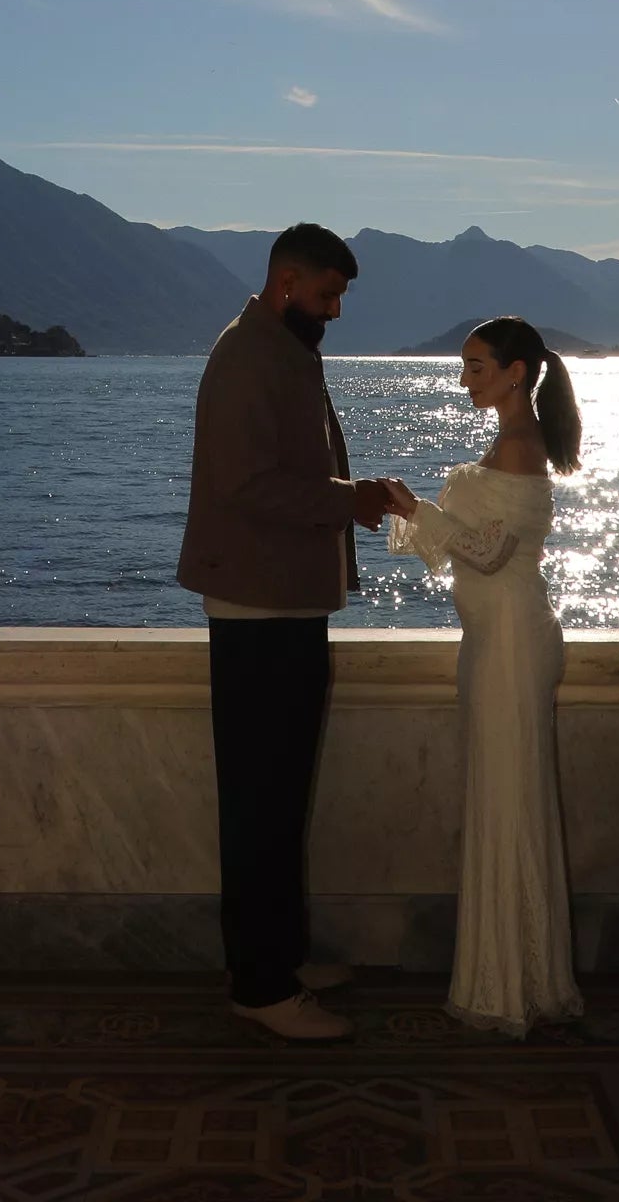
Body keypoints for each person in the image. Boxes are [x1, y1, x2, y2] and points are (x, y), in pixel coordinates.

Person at [177, 222, 396, 1041]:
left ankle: (281, 957)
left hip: (286, 604)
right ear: (286, 282)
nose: (335, 311)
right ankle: (261, 986)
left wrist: (350, 497)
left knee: (278, 794)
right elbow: (247, 489)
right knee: (260, 801)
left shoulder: (280, 348)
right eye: (327, 294)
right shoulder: (247, 357)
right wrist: (352, 499)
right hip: (257, 612)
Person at [385, 316, 583, 1037]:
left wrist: (414, 508)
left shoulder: (518, 445)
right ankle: (521, 977)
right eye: (464, 367)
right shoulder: (514, 443)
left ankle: (508, 989)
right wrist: (424, 514)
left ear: (515, 371)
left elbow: (488, 553)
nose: (465, 379)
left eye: (475, 367)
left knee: (506, 803)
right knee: (505, 799)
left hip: (507, 644)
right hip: (499, 637)